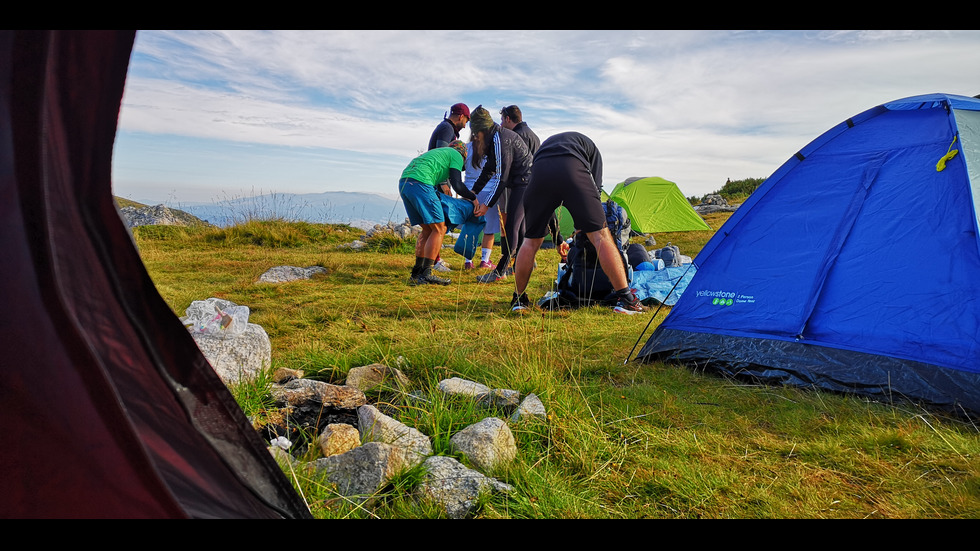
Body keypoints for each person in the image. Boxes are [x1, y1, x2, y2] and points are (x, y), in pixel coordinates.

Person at [509, 132, 646, 314]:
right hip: (571, 166)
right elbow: (595, 192)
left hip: (539, 171)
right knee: (601, 237)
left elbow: (547, 214)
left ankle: (518, 299)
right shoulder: (592, 150)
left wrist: (558, 240)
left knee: (531, 241)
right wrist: (587, 225)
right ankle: (627, 300)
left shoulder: (545, 149)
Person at [398, 140, 487, 286]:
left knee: (427, 229)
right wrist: (473, 198)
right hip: (421, 183)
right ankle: (426, 274)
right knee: (440, 228)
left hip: (405, 183)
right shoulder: (456, 155)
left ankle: (416, 273)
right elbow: (458, 184)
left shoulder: (439, 154)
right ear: (464, 155)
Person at [465, 106, 533, 284]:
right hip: (521, 182)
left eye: (476, 133)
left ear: (482, 129)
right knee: (520, 227)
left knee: (512, 225)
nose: (475, 137)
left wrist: (486, 204)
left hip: (525, 182)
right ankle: (523, 264)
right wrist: (474, 191)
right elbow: (489, 169)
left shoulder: (500, 139)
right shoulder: (494, 137)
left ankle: (500, 271)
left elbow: (501, 178)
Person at [500, 104, 563, 249]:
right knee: (525, 222)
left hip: (523, 183)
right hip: (536, 180)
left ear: (508, 119)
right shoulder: (533, 135)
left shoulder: (517, 136)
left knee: (515, 224)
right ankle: (528, 257)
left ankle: (512, 259)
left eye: (502, 120)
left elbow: (517, 163)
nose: (502, 125)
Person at [428, 103, 470, 273]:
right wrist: (444, 183)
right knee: (439, 223)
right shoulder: (447, 128)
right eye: (466, 119)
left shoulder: (445, 128)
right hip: (437, 181)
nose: (466, 124)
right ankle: (434, 261)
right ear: (461, 116)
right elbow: (441, 155)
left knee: (435, 224)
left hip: (434, 180)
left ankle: (433, 260)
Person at [461, 141, 501, 270]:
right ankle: (485, 260)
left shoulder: (467, 147)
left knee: (470, 226)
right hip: (489, 190)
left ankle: (468, 261)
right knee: (489, 229)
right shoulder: (493, 147)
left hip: (469, 190)